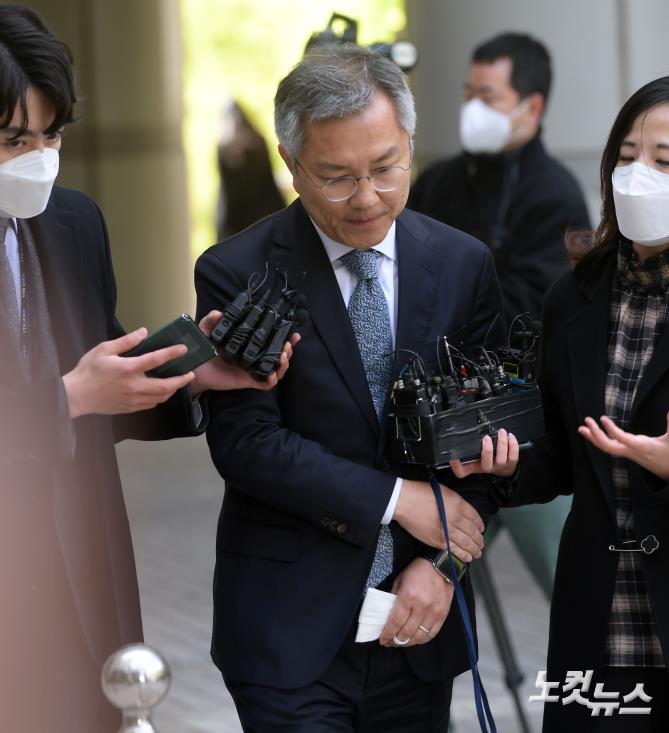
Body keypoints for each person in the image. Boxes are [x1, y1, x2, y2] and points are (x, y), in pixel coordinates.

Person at [195, 44, 511, 732]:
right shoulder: (237, 270)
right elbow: (248, 443)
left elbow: (484, 445)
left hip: (417, 625)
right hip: (291, 629)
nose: (367, 198)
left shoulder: (461, 264)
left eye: (386, 168)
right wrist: (398, 501)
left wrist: (442, 564)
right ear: (291, 164)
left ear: (409, 143)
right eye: (336, 177)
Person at [0, 7, 294, 732]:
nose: (38, 157)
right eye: (13, 139)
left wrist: (190, 369)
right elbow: (76, 391)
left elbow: (106, 383)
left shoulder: (70, 222)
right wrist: (65, 396)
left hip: (76, 565)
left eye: (51, 135)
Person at [455, 76, 669, 731]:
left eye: (662, 160)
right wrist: (502, 461)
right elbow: (556, 454)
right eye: (625, 155)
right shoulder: (573, 295)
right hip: (597, 614)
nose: (638, 174)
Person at [410, 31, 592, 598]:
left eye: (488, 96)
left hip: (525, 430)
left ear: (530, 106)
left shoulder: (554, 192)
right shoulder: (438, 182)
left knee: (575, 588)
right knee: (431, 578)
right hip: (444, 423)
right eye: (469, 93)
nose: (472, 109)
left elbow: (536, 306)